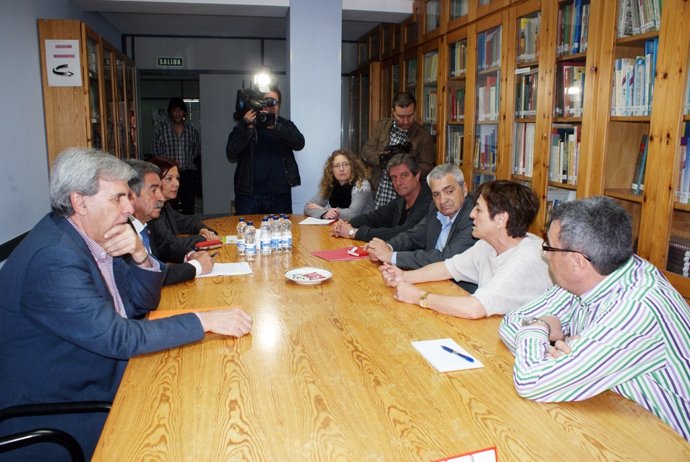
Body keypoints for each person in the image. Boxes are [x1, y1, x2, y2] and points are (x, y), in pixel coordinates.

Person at [0, 148, 252, 461]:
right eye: (118, 198)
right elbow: (118, 337)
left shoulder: (92, 235)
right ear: (80, 201)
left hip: (105, 374)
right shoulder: (55, 257)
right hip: (66, 406)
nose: (128, 207)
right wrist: (203, 319)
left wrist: (141, 257)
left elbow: (140, 304)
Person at [499, 196, 690, 441]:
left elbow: (531, 380)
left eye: (548, 247)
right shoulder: (596, 273)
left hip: (667, 442)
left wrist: (539, 327)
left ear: (577, 261)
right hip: (614, 413)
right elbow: (512, 321)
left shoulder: (637, 309)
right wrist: (550, 343)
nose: (545, 256)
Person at [381, 180, 552, 319]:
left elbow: (474, 308)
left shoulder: (526, 257)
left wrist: (419, 297)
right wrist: (404, 277)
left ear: (501, 219)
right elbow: (446, 267)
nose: (471, 215)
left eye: (478, 209)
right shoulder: (488, 245)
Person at [365, 164, 477, 271]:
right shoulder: (435, 208)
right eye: (436, 194)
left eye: (449, 191)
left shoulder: (473, 217)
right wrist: (387, 247)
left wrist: (391, 256)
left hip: (459, 288)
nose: (442, 200)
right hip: (431, 279)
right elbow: (413, 236)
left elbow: (446, 259)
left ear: (464, 189)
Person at [125, 159, 213, 286]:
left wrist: (189, 255)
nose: (161, 197)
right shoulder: (122, 232)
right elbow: (150, 276)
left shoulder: (146, 222)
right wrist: (196, 266)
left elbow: (164, 248)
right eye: (154, 190)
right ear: (131, 195)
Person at [226, 86, 305, 214]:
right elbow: (231, 152)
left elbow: (299, 143)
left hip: (279, 195)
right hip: (249, 195)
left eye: (275, 102)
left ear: (279, 105)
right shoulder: (247, 124)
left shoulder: (284, 125)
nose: (271, 105)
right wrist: (246, 126)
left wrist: (275, 127)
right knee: (247, 232)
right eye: (267, 101)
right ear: (259, 103)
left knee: (281, 233)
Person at [330, 152, 432, 242]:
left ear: (417, 175)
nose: (399, 182)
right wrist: (347, 224)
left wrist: (354, 232)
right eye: (394, 178)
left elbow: (403, 233)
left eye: (404, 175)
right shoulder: (401, 200)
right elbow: (375, 217)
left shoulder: (428, 201)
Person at [360, 92, 435, 209]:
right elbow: (366, 151)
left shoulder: (423, 136)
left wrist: (406, 166)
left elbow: (428, 167)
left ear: (415, 112)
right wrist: (383, 159)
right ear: (393, 112)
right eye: (401, 116)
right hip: (380, 190)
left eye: (410, 116)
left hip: (406, 193)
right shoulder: (382, 127)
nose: (406, 121)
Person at [148, 156, 219, 250]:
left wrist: (203, 229)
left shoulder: (165, 206)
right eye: (169, 179)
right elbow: (170, 243)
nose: (176, 184)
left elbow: (186, 221)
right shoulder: (151, 211)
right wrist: (205, 238)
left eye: (177, 178)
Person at [152, 97, 201, 215]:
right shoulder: (161, 131)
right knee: (169, 207)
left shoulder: (192, 131)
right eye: (174, 110)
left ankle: (189, 232)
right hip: (168, 176)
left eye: (180, 110)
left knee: (189, 207)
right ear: (170, 113)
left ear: (184, 112)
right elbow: (156, 153)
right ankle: (171, 232)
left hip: (187, 174)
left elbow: (197, 151)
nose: (177, 113)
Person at [303, 149, 373, 220]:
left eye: (346, 164)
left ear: (352, 167)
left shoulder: (362, 184)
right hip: (339, 226)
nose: (341, 169)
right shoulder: (330, 184)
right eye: (336, 166)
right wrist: (324, 214)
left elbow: (352, 214)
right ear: (331, 169)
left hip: (360, 228)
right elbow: (307, 207)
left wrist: (323, 209)